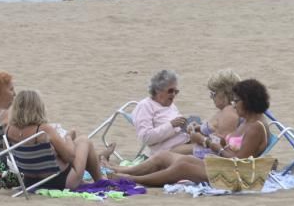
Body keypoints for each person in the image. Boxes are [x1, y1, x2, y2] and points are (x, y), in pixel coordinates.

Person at [105, 79, 271, 187]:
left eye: (237, 101)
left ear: (248, 102)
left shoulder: (256, 127)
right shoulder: (246, 121)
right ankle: (122, 171)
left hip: (235, 176)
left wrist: (209, 144)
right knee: (164, 156)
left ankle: (134, 180)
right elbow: (230, 146)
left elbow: (239, 163)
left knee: (183, 165)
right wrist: (214, 140)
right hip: (222, 164)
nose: (234, 105)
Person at [5, 89, 111, 190]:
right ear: (38, 108)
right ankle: (100, 181)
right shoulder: (43, 129)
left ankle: (100, 172)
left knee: (76, 143)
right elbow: (69, 157)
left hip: (30, 181)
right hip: (59, 181)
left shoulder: (8, 130)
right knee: (84, 140)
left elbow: (10, 157)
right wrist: (68, 137)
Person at [132, 70, 190, 156]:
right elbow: (146, 138)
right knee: (201, 149)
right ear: (158, 90)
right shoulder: (145, 106)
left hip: (183, 141)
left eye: (176, 91)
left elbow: (178, 126)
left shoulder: (171, 106)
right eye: (170, 91)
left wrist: (189, 127)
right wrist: (171, 125)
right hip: (165, 150)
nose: (173, 94)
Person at [186, 69, 241, 159]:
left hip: (212, 156)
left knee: (168, 155)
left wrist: (201, 139)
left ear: (225, 93)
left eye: (213, 93)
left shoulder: (229, 113)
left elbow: (225, 145)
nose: (211, 97)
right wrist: (200, 128)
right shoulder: (226, 110)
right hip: (209, 151)